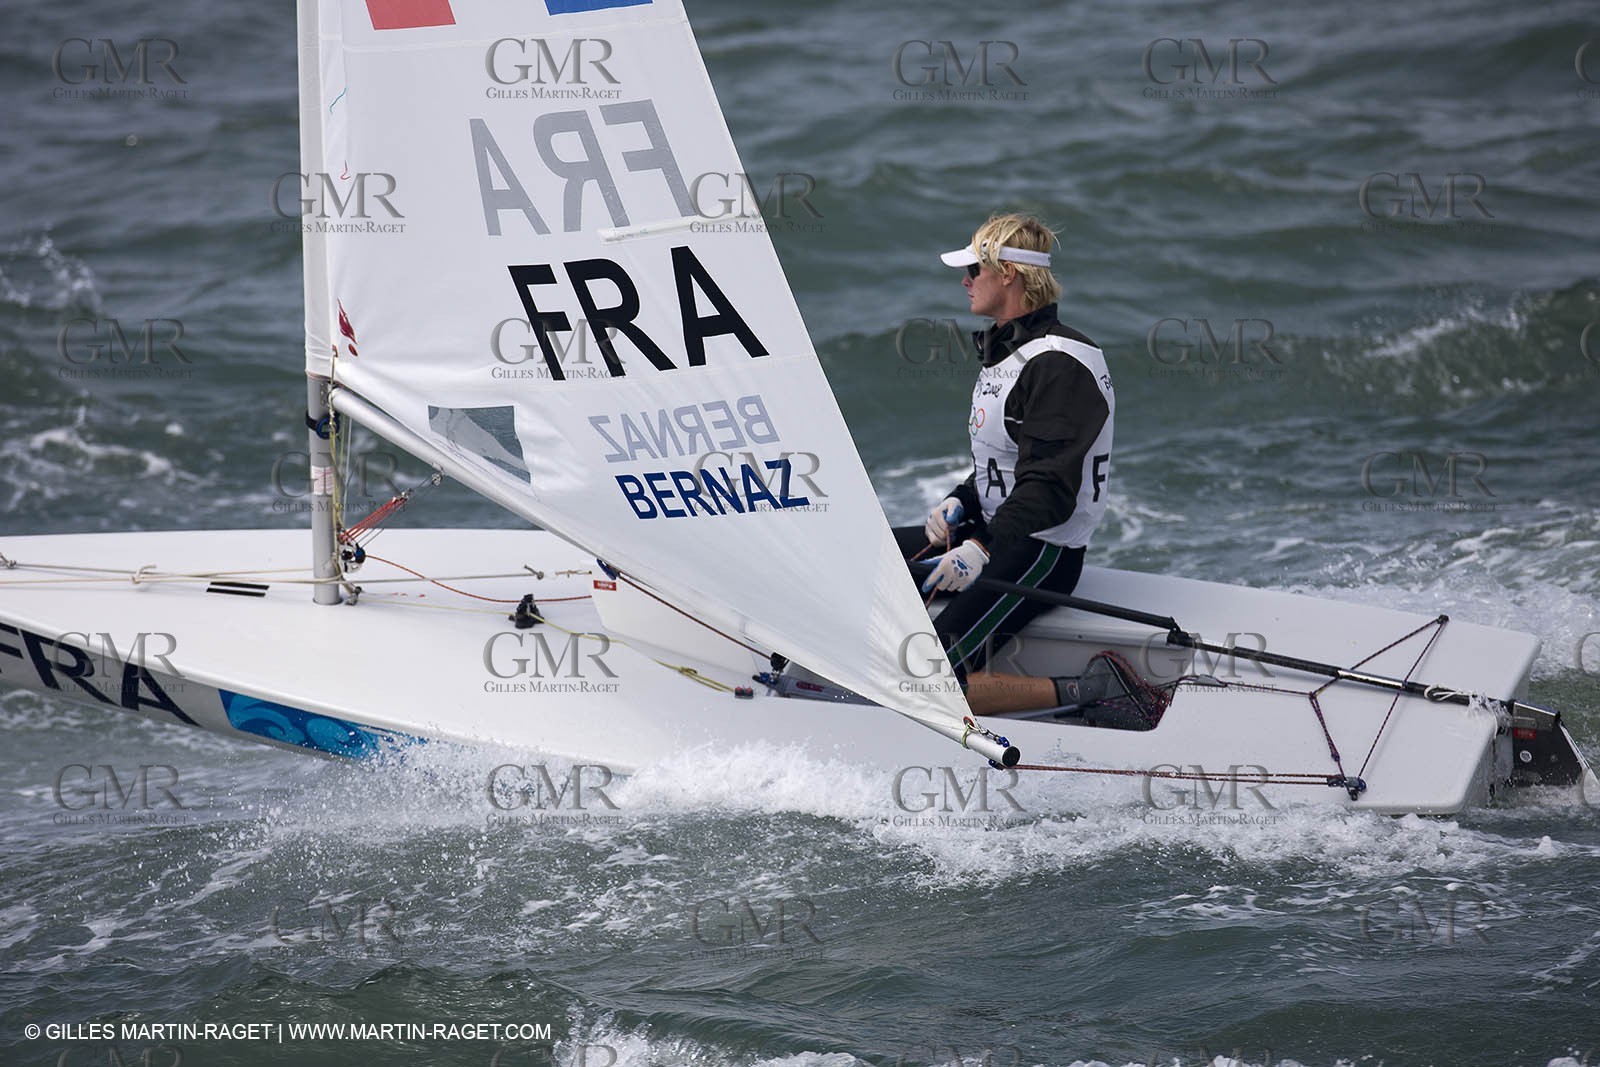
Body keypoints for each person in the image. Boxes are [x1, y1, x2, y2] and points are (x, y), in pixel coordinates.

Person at [898, 213, 1115, 716]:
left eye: (975, 269)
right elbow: (1006, 462)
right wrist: (961, 500)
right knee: (865, 557)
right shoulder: (1011, 352)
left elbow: (1049, 489)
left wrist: (980, 549)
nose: (965, 281)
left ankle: (1090, 692)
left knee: (927, 678)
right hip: (995, 531)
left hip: (1042, 551)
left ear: (1010, 274)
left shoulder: (1059, 363)